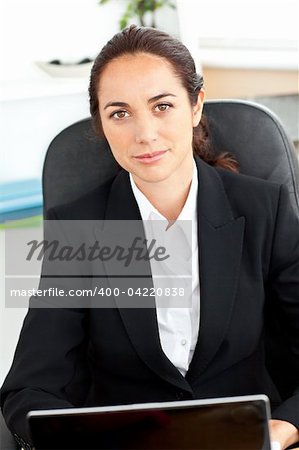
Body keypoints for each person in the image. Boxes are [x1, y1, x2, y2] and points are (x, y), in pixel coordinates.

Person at [1, 25, 299, 450]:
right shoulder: (84, 228)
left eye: (162, 106)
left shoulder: (262, 209)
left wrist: (282, 429)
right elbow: (29, 388)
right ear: (101, 124)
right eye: (119, 113)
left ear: (196, 105)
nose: (144, 134)